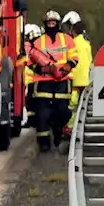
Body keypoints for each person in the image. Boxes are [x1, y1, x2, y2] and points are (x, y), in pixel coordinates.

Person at [28, 10, 78, 152]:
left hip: (62, 82)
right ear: (45, 24)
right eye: (49, 23)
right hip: (44, 83)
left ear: (57, 24)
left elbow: (74, 58)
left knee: (62, 112)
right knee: (43, 114)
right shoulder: (38, 42)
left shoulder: (67, 40)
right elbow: (30, 61)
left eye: (53, 23)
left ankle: (58, 132)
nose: (51, 25)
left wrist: (66, 69)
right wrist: (43, 70)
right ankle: (43, 143)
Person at [62, 11, 93, 136]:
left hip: (75, 78)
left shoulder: (73, 42)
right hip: (86, 79)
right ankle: (76, 127)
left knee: (72, 105)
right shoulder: (85, 40)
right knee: (81, 106)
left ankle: (69, 127)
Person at [20, 22, 43, 127]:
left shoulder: (27, 46)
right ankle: (33, 120)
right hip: (33, 79)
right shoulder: (37, 46)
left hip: (29, 79)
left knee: (30, 102)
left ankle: (31, 120)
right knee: (33, 102)